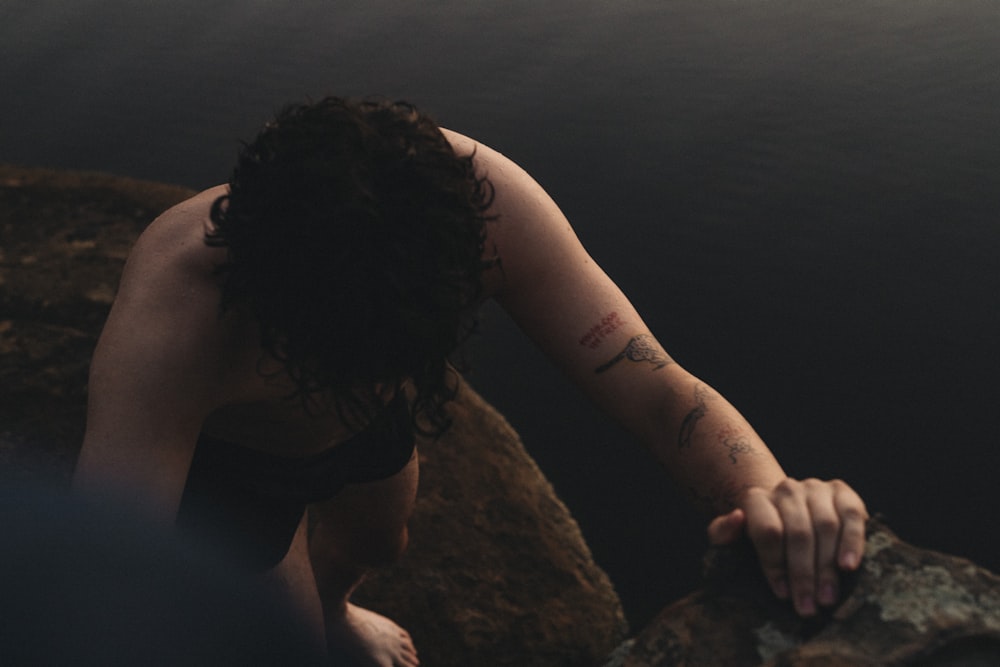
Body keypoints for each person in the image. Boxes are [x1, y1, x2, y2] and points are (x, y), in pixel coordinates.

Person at [73, 97, 868, 667]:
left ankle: (336, 602)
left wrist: (769, 497)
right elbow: (106, 572)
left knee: (380, 538)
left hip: (369, 428)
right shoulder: (174, 323)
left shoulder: (479, 204)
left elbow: (661, 394)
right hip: (245, 465)